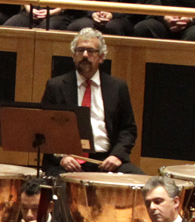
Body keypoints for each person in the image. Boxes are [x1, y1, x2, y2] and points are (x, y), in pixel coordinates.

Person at [42, 27, 137, 173]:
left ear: (101, 57)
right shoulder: (56, 86)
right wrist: (61, 158)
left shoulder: (118, 87)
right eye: (80, 50)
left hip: (106, 160)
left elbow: (128, 129)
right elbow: (45, 128)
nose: (85, 55)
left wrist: (117, 155)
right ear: (74, 56)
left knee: (142, 184)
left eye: (91, 51)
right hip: (67, 160)